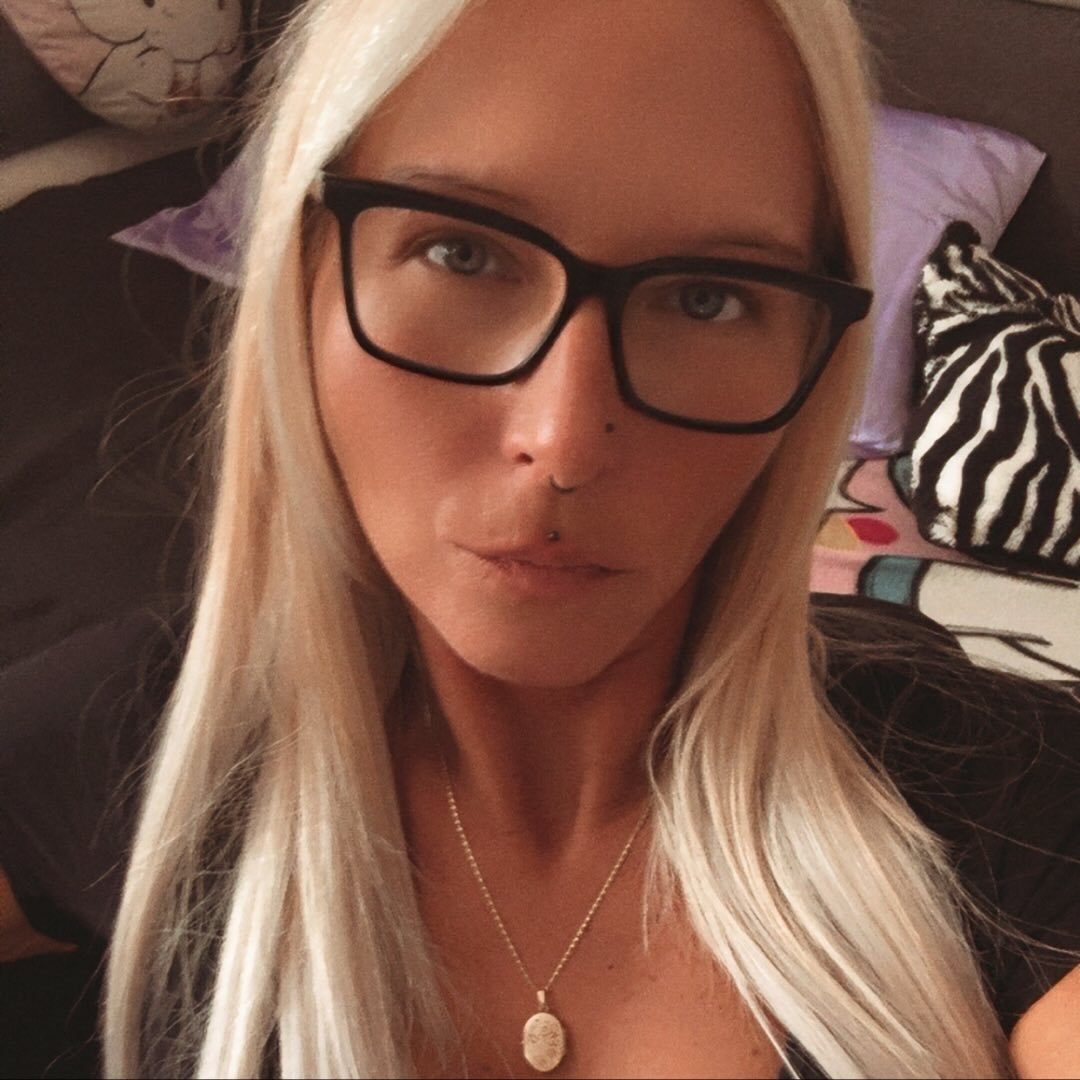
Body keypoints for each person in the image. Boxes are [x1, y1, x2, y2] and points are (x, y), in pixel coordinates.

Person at [2, 0, 1078, 1076]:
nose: (564, 443)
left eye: (708, 298)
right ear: (304, 272)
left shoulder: (1002, 795)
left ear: (812, 354)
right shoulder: (131, 736)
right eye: (462, 253)